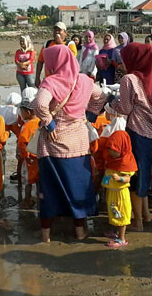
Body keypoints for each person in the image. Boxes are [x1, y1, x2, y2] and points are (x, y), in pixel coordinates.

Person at [32, 45, 108, 242]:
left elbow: (39, 104)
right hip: (78, 142)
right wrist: (88, 115)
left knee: (50, 188)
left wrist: (49, 124)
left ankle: (46, 235)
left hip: (52, 143)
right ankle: (80, 232)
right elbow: (101, 97)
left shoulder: (51, 82)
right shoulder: (84, 80)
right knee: (77, 187)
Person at [111, 43, 152, 231]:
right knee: (145, 175)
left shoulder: (129, 79)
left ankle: (138, 222)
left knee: (134, 178)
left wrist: (111, 102)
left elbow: (125, 108)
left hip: (138, 131)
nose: (120, 62)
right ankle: (147, 214)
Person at [102, 129, 137, 248]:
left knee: (121, 214)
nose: (111, 152)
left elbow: (128, 179)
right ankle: (115, 232)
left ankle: (122, 238)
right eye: (109, 149)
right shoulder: (113, 159)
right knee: (114, 212)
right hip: (112, 192)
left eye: (114, 150)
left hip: (121, 193)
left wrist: (119, 179)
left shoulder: (126, 161)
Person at [34, 22, 77, 87]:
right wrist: (37, 78)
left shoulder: (70, 44)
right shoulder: (47, 44)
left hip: (65, 81)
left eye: (59, 30)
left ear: (65, 32)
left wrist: (60, 43)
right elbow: (40, 61)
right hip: (49, 80)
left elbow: (71, 59)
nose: (57, 32)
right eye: (55, 30)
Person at [17, 97, 39, 208]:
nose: (20, 114)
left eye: (21, 111)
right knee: (40, 181)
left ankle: (27, 200)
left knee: (29, 181)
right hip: (42, 158)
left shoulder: (27, 126)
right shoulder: (42, 123)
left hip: (30, 159)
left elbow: (22, 143)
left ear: (28, 112)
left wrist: (25, 156)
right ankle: (41, 202)